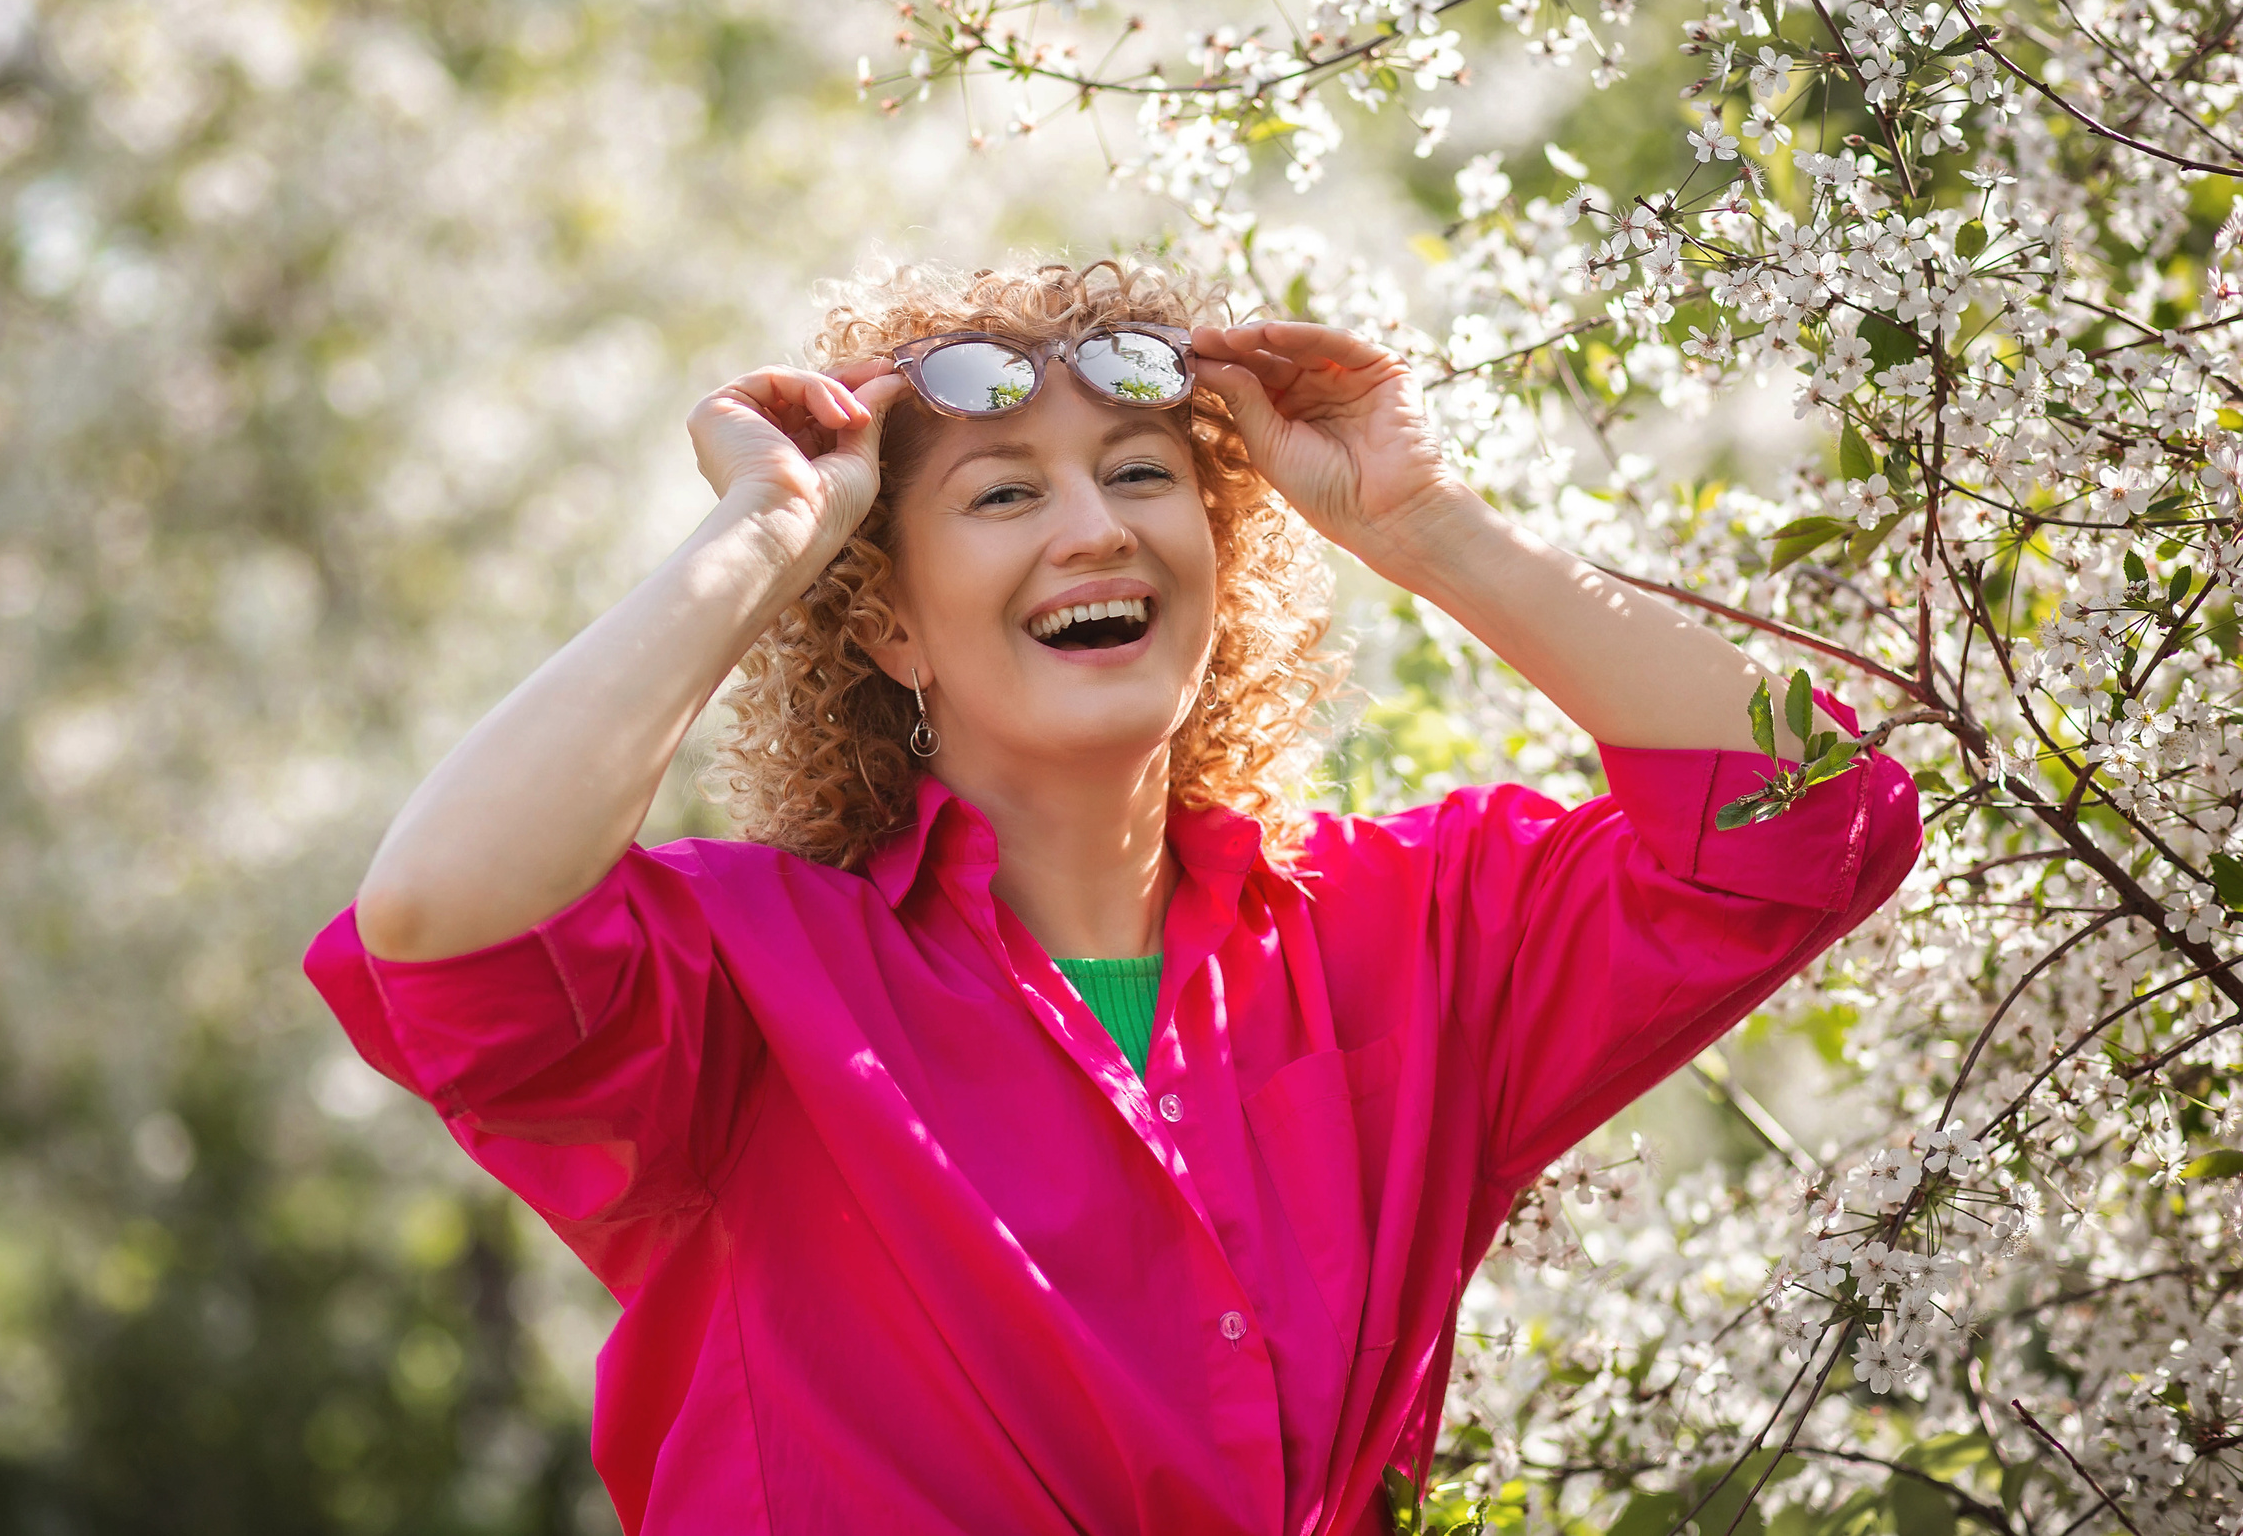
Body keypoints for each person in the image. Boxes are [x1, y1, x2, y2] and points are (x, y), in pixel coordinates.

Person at [305, 258, 1919, 1535]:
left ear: (1224, 560)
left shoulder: (1411, 931)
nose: (1094, 529)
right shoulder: (748, 979)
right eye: (1003, 494)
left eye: (1143, 476)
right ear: (889, 631)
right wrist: (767, 528)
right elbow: (448, 917)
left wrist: (1426, 529)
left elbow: (1809, 819)